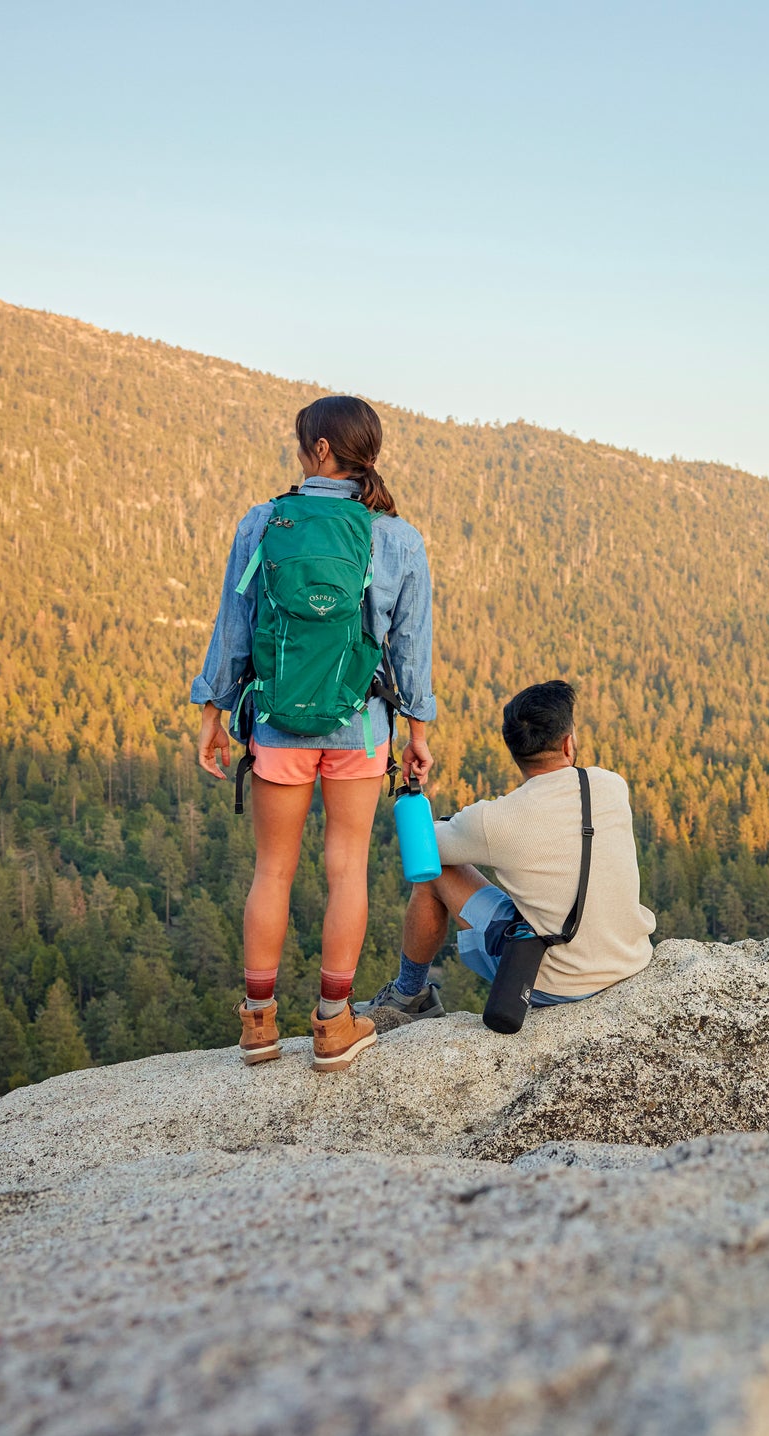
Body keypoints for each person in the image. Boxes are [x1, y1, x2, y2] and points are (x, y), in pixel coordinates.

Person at [192, 395, 436, 1071]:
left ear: (321, 450)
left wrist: (212, 712)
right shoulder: (396, 537)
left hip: (276, 724)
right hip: (361, 727)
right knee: (346, 866)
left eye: (305, 444)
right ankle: (333, 1023)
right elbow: (410, 650)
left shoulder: (265, 520)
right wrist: (416, 729)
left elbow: (233, 628)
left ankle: (258, 1025)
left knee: (273, 867)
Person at [362, 680, 654, 1016]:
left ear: (514, 751)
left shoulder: (497, 819)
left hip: (555, 984)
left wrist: (417, 797)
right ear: (568, 744)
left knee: (432, 873)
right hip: (630, 961)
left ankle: (409, 995)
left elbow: (424, 850)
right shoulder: (610, 785)